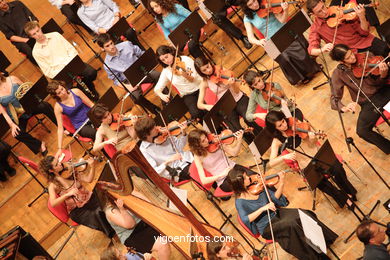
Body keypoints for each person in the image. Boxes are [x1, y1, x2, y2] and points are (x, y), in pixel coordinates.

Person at [227, 166, 339, 260]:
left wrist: (281, 182)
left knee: (302, 213)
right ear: (240, 183)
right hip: (267, 226)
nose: (249, 178)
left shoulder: (257, 186)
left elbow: (275, 199)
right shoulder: (240, 202)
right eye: (246, 178)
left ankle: (321, 241)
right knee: (292, 224)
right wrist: (263, 208)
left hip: (277, 214)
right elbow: (246, 219)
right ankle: (313, 256)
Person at [265, 110, 358, 208]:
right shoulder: (277, 140)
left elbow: (312, 143)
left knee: (338, 169)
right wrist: (283, 156)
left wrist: (313, 138)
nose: (284, 125)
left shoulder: (294, 123)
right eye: (280, 125)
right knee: (320, 184)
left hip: (318, 154)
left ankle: (349, 191)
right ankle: (345, 198)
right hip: (305, 164)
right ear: (275, 129)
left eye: (283, 121)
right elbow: (271, 163)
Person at [329, 44, 390, 154]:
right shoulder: (338, 74)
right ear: (341, 61)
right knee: (362, 131)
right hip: (367, 104)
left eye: (351, 53)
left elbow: (381, 82)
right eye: (348, 57)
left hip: (383, 92)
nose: (353, 57)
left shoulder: (366, 56)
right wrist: (343, 107)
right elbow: (334, 98)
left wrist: (384, 74)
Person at [240, 0, 320, 85]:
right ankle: (301, 76)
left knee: (298, 43)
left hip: (285, 32)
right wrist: (259, 41)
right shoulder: (247, 18)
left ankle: (312, 68)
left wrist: (285, 10)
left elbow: (282, 20)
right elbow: (250, 38)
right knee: (283, 57)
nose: (255, 5)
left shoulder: (267, 3)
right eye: (250, 5)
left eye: (254, 1)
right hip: (272, 41)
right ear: (246, 7)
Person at [39, 155, 114, 237]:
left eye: (58, 161)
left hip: (89, 198)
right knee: (97, 212)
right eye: (56, 164)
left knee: (108, 197)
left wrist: (92, 167)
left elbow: (89, 179)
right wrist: (67, 194)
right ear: (51, 170)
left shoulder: (70, 170)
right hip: (78, 210)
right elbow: (53, 203)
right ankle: (112, 231)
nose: (60, 163)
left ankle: (117, 221)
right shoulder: (53, 185)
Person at [24, 21, 99, 101]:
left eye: (38, 31)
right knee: (70, 91)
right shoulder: (36, 52)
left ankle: (90, 89)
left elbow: (71, 49)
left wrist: (69, 63)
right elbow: (47, 71)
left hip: (72, 63)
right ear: (31, 37)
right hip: (60, 74)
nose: (38, 34)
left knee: (91, 72)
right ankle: (87, 94)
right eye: (34, 34)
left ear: (40, 28)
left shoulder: (55, 35)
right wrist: (62, 70)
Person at [194, 57, 261, 141]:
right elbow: (199, 104)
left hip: (239, 98)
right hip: (226, 106)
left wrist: (232, 84)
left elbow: (236, 91)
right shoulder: (204, 82)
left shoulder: (221, 70)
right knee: (236, 130)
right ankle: (252, 142)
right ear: (201, 73)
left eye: (208, 66)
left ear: (210, 63)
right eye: (204, 70)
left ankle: (263, 138)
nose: (208, 71)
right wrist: (208, 106)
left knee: (249, 118)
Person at [96, 33, 161, 114]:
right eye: (107, 46)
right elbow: (116, 80)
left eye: (111, 43)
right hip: (129, 81)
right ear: (102, 48)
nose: (112, 47)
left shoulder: (127, 45)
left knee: (158, 76)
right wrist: (128, 87)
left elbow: (141, 54)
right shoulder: (107, 64)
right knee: (136, 97)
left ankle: (166, 101)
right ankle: (154, 109)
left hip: (142, 71)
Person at [306, 0, 389, 57]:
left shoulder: (338, 9)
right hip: (349, 54)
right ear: (313, 14)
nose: (324, 12)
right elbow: (312, 50)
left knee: (384, 49)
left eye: (323, 7)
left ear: (322, 2)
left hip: (364, 41)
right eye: (319, 11)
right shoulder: (316, 28)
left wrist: (362, 17)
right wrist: (323, 49)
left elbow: (364, 33)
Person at [0, 73, 56, 155]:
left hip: (30, 106)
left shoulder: (12, 78)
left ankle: (63, 126)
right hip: (19, 116)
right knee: (17, 134)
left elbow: (29, 91)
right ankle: (39, 145)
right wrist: (12, 125)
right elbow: (4, 113)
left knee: (45, 105)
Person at [187, 129, 255, 193]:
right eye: (203, 141)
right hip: (224, 180)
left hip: (234, 168)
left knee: (256, 177)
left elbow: (234, 153)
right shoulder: (198, 157)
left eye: (205, 137)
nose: (207, 140)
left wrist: (239, 139)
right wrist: (221, 175)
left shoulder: (216, 142)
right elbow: (204, 180)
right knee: (248, 183)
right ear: (197, 145)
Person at [104, 197, 170, 259]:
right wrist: (122, 209)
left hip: (143, 223)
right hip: (132, 235)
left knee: (167, 226)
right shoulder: (111, 211)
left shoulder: (125, 194)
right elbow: (130, 224)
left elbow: (146, 201)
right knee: (163, 243)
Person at [46, 80, 96, 160]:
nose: (63, 92)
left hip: (91, 116)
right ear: (56, 96)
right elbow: (60, 128)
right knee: (95, 133)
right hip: (81, 126)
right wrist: (59, 148)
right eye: (59, 93)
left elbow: (91, 104)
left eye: (62, 89)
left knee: (105, 122)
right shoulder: (58, 107)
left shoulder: (76, 91)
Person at [154, 45, 205, 120]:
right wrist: (161, 95)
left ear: (171, 52)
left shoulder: (185, 60)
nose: (166, 61)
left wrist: (185, 75)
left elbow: (193, 79)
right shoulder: (166, 71)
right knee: (196, 114)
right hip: (188, 95)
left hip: (200, 87)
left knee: (206, 108)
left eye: (166, 56)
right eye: (163, 60)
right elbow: (157, 89)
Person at [134, 116, 192, 181]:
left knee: (203, 154)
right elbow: (155, 171)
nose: (156, 128)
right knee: (196, 171)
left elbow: (179, 147)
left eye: (155, 126)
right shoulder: (144, 150)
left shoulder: (162, 134)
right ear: (146, 135)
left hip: (186, 157)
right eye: (153, 128)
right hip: (176, 170)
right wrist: (169, 160)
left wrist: (183, 133)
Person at [75, 0, 143, 49]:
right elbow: (93, 27)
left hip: (116, 22)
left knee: (130, 32)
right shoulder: (80, 12)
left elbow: (113, 6)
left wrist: (116, 17)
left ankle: (142, 51)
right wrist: (105, 30)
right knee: (116, 44)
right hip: (106, 31)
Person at [0, 0, 38, 64]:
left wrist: (34, 32)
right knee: (30, 51)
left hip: (32, 31)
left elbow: (33, 18)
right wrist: (27, 40)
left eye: (3, 0)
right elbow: (11, 36)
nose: (3, 3)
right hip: (21, 40)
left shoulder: (18, 3)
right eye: (0, 3)